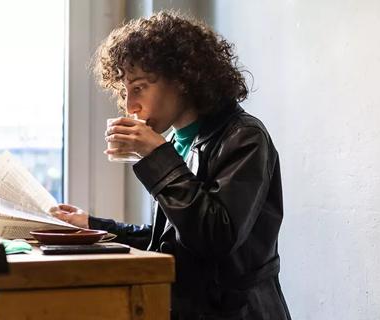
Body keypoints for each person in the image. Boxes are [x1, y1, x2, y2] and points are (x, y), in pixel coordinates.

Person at [52, 10, 291, 320]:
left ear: (182, 78)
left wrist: (158, 158)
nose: (129, 106)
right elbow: (171, 237)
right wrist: (92, 226)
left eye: (138, 88)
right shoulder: (179, 141)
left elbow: (216, 237)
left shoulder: (245, 137)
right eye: (124, 92)